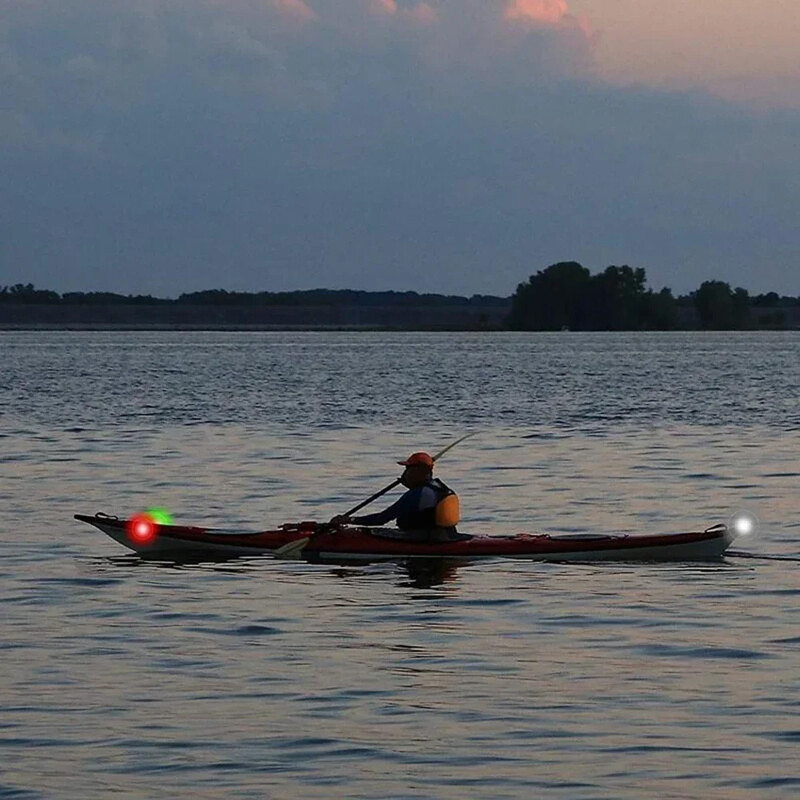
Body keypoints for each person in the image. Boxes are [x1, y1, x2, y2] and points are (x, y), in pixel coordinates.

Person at [331, 451, 462, 542]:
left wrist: (350, 520)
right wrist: (410, 484)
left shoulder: (417, 494)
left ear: (419, 471)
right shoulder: (441, 488)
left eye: (408, 469)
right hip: (447, 536)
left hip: (424, 539)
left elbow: (382, 519)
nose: (405, 473)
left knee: (368, 533)